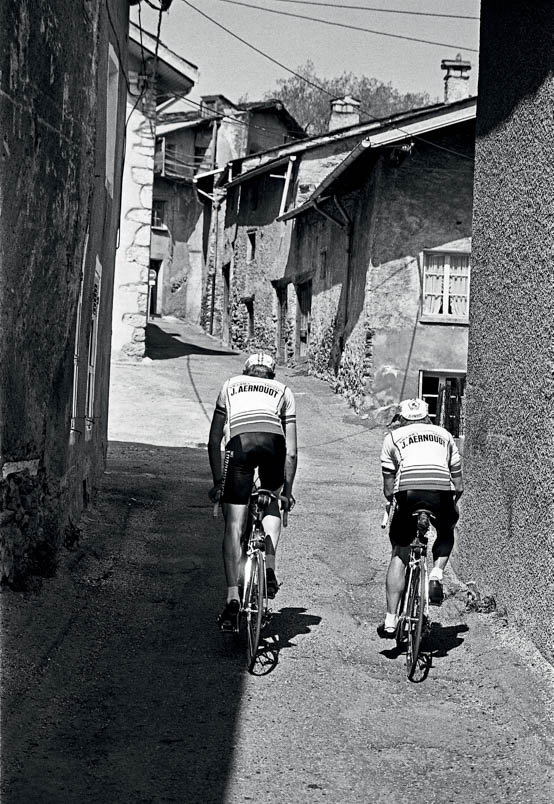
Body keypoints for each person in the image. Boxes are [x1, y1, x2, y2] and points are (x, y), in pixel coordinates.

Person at [208, 352, 297, 631]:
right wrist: (287, 492)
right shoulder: (283, 391)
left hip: (240, 445)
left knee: (234, 525)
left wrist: (218, 483)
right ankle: (269, 566)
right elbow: (292, 453)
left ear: (246, 372)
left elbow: (213, 442)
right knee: (271, 501)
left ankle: (233, 597)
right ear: (271, 375)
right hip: (274, 446)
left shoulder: (230, 385)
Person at [377, 397, 463, 639]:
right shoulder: (444, 435)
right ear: (428, 417)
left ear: (402, 419)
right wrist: (449, 509)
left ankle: (391, 620)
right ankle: (436, 573)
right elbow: (458, 484)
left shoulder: (392, 438)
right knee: (446, 532)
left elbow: (388, 488)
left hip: (408, 493)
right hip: (440, 492)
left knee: (400, 552)